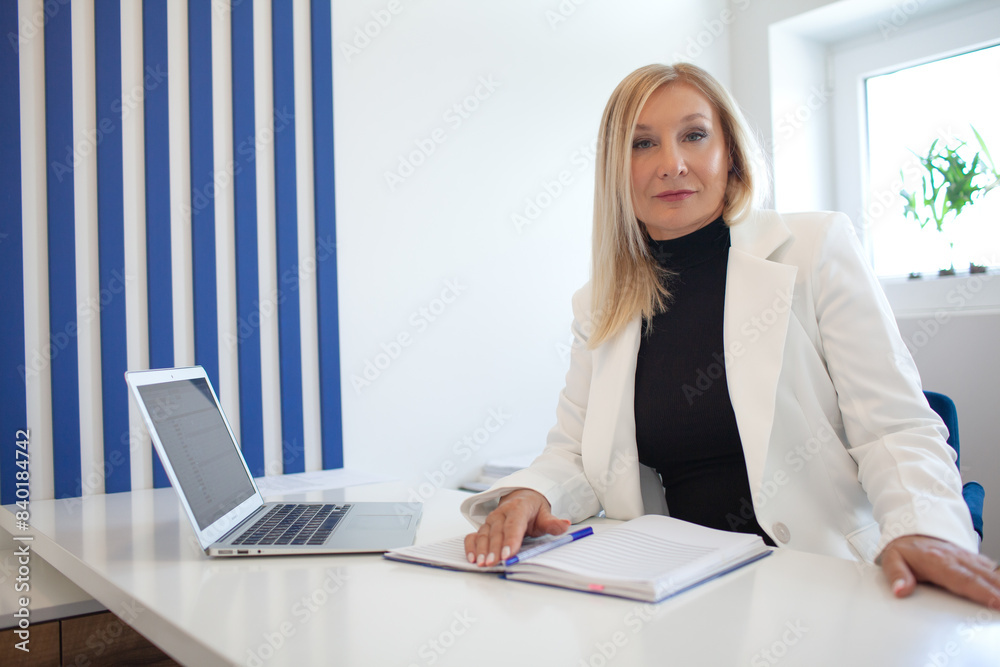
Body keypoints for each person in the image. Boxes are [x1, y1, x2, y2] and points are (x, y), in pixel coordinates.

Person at [462, 63, 1000, 608]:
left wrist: (921, 527)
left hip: (823, 583)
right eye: (642, 144)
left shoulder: (815, 249)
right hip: (678, 591)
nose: (671, 164)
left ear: (730, 154)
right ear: (616, 171)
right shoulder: (601, 302)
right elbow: (574, 454)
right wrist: (531, 493)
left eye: (694, 135)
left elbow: (894, 429)